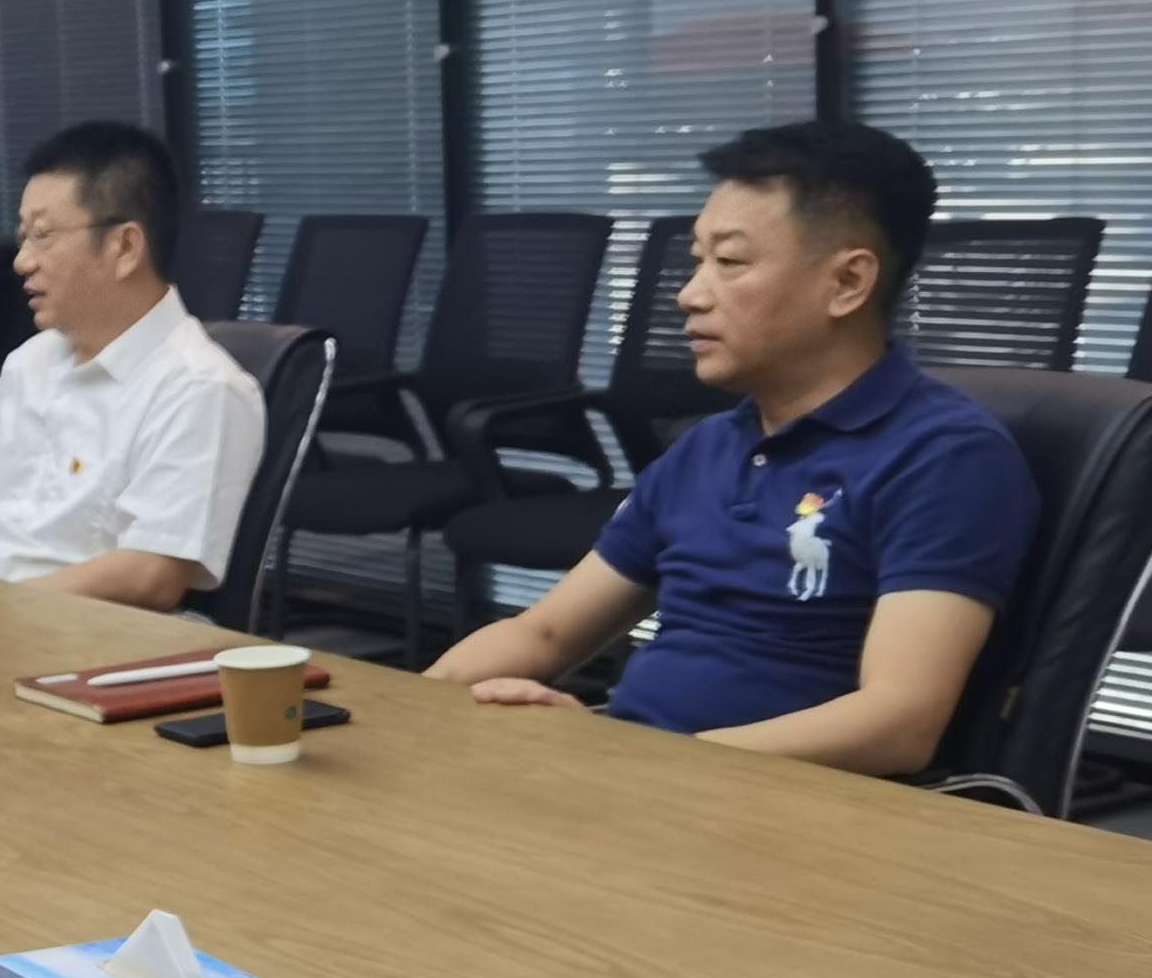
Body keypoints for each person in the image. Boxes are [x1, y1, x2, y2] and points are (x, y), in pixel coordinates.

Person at [425, 122, 1038, 777]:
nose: (689, 294)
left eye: (731, 262)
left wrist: (635, 760)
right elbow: (543, 633)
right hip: (637, 775)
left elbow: (898, 723)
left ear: (847, 282)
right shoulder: (706, 448)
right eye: (699, 260)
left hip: (782, 806)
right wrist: (409, 711)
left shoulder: (945, 457)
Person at [0, 122, 265, 612]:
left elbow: (150, 574)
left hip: (74, 636)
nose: (22, 262)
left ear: (125, 248)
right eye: (23, 237)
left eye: (42, 236)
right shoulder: (32, 361)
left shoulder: (199, 388)